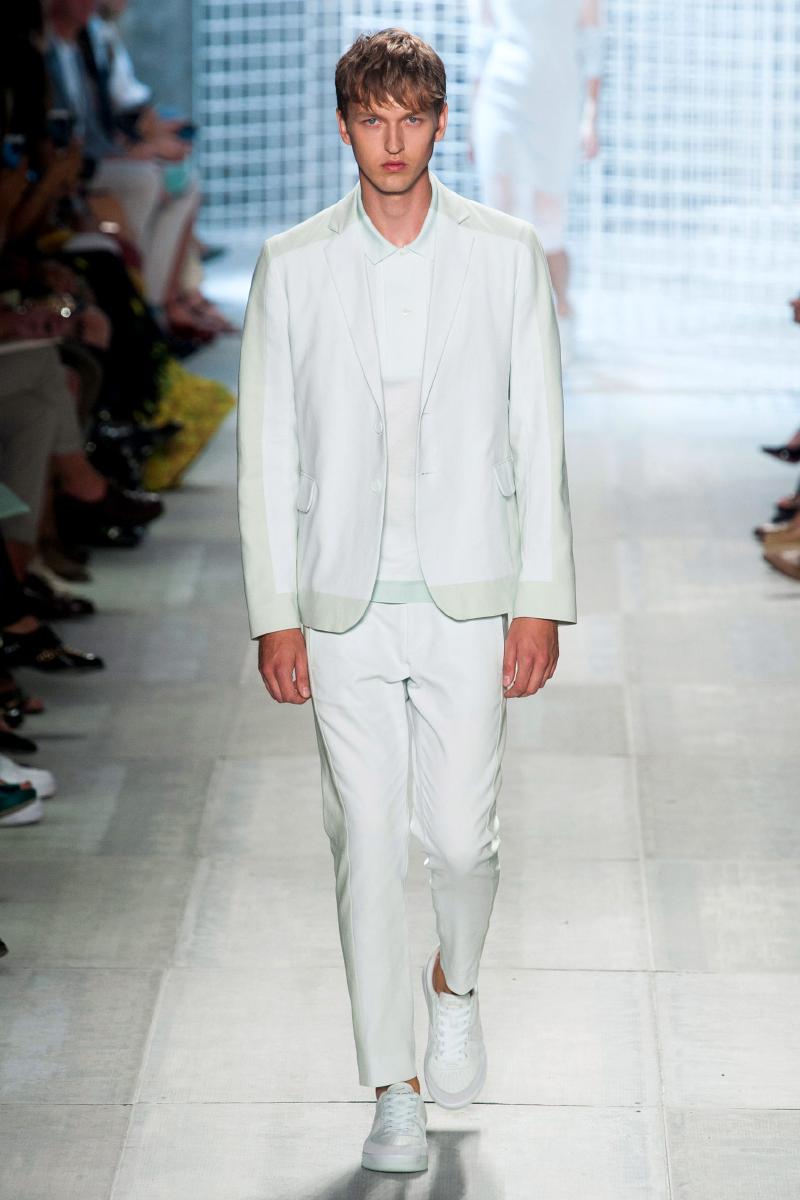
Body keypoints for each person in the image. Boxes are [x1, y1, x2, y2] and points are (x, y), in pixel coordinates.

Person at [236, 27, 576, 1175]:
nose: (392, 141)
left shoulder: (504, 254)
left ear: (438, 125)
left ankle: (453, 984)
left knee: (464, 847)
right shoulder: (291, 264)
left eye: (411, 119)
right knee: (368, 845)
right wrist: (273, 613)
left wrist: (540, 601)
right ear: (344, 127)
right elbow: (267, 454)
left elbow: (537, 433)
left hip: (470, 594)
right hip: (338, 600)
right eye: (371, 120)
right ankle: (393, 1085)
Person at [467, 0, 603, 359]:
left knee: (548, 220)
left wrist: (591, 114)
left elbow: (593, 42)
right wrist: (471, 118)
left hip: (555, 99)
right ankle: (502, 333)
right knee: (498, 216)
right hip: (500, 93)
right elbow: (481, 38)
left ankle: (562, 312)